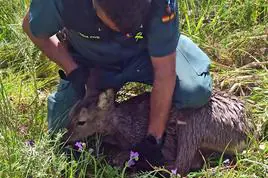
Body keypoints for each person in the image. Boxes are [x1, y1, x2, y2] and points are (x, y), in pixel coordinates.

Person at [22, 0, 212, 168]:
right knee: (60, 133)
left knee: (194, 92)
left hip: (146, 56)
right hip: (92, 63)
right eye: (115, 24)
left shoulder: (161, 4)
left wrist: (153, 139)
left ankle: (171, 44)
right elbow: (32, 29)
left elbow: (164, 72)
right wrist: (73, 70)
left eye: (133, 26)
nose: (125, 32)